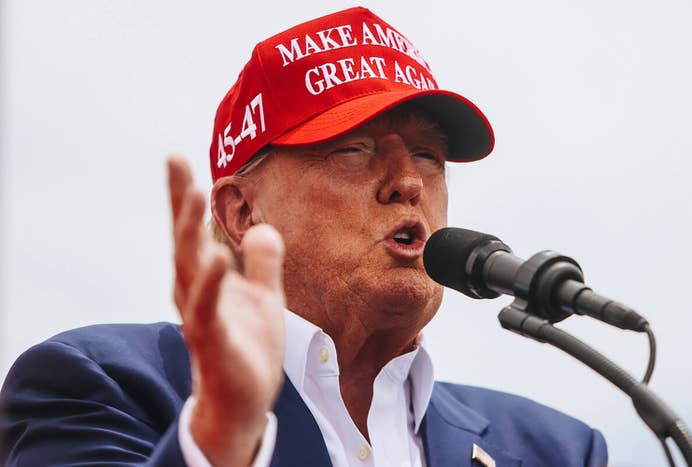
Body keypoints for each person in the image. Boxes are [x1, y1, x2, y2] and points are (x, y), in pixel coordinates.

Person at [0, 7, 607, 467]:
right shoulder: (99, 383)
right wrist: (219, 437)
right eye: (353, 150)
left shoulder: (557, 449)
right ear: (241, 212)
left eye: (428, 155)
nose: (406, 182)